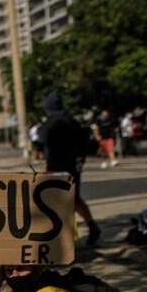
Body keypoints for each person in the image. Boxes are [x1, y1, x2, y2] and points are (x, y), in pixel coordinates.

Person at [41, 92, 101, 245]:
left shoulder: (50, 124)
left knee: (59, 202)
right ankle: (92, 225)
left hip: (57, 166)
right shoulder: (72, 121)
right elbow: (83, 142)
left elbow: (47, 147)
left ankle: (66, 238)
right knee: (74, 198)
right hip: (74, 165)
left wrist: (49, 170)